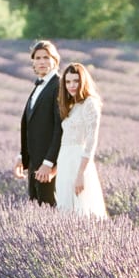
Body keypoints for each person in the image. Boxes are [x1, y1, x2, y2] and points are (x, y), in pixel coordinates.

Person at [55, 62, 107, 218]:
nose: (72, 85)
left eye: (76, 81)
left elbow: (91, 141)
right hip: (64, 161)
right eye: (68, 82)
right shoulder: (72, 106)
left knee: (82, 209)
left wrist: (81, 173)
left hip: (78, 162)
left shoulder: (90, 103)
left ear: (83, 81)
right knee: (65, 209)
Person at [14, 40, 62, 206]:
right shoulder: (39, 86)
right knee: (37, 208)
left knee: (49, 208)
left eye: (46, 57)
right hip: (35, 161)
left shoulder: (58, 85)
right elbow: (31, 126)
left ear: (55, 60)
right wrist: (23, 156)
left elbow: (59, 128)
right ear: (33, 62)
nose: (42, 62)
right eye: (38, 58)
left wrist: (49, 163)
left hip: (47, 165)